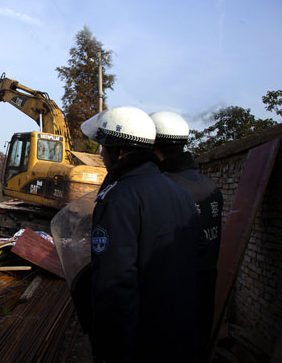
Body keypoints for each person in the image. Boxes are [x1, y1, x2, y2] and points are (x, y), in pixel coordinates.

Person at [71, 106, 201, 362]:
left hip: (139, 339)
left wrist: (110, 349)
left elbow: (115, 283)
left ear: (118, 152)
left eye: (103, 149)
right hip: (177, 330)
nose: (101, 156)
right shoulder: (180, 194)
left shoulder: (118, 198)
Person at [150, 111, 223, 362]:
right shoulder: (210, 187)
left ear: (153, 146)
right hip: (205, 289)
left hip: (173, 295)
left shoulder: (161, 188)